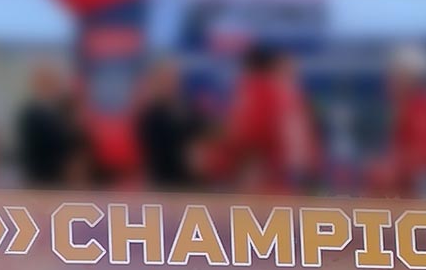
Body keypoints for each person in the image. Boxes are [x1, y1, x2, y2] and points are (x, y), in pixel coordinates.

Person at [204, 45, 319, 194]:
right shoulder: (289, 95)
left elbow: (247, 136)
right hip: (290, 180)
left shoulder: (261, 91)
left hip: (269, 182)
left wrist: (214, 160)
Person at [368, 44, 426, 198]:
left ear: (409, 77)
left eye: (395, 74)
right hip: (406, 192)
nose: (389, 81)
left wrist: (391, 168)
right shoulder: (402, 108)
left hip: (422, 194)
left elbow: (424, 156)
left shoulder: (423, 108)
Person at [16, 61, 93, 189]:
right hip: (42, 180)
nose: (53, 86)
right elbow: (55, 142)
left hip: (58, 180)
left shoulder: (59, 110)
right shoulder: (33, 114)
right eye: (47, 82)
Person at [134, 61, 205, 190]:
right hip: (163, 183)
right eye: (163, 80)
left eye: (171, 80)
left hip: (190, 182)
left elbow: (202, 137)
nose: (169, 85)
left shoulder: (188, 111)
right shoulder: (150, 116)